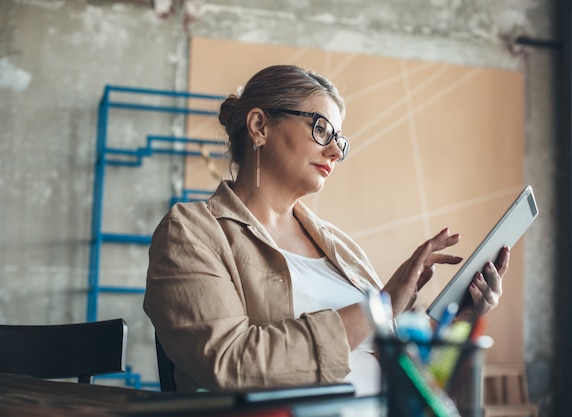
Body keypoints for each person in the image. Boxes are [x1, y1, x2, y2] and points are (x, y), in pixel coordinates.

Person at [143, 64, 509, 396]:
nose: (335, 150)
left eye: (340, 139)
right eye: (321, 129)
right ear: (260, 126)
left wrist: (459, 320)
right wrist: (377, 309)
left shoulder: (341, 248)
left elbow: (409, 374)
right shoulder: (191, 233)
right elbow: (229, 362)